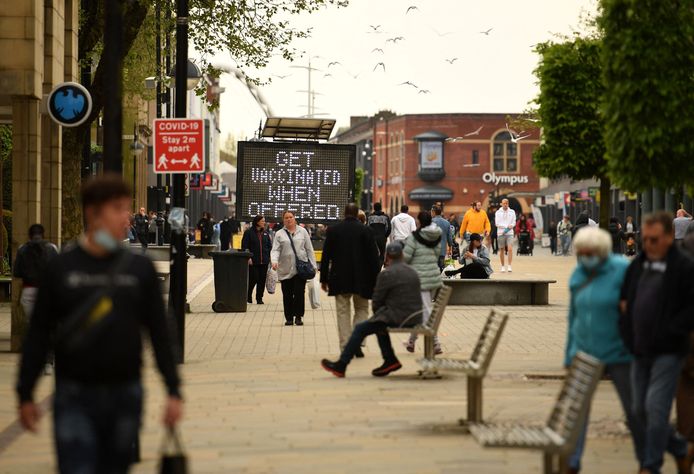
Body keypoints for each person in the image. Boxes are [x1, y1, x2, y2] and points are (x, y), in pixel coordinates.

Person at [16, 175, 182, 474]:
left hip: (125, 392)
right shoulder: (62, 268)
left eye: (127, 208)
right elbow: (39, 333)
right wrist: (25, 392)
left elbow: (160, 331)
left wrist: (173, 389)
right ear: (93, 213)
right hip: (74, 393)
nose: (127, 217)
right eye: (117, 208)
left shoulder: (139, 269)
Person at [619, 211, 694, 474]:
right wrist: (627, 335)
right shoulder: (638, 264)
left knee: (655, 407)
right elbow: (624, 301)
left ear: (669, 237)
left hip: (669, 351)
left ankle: (650, 466)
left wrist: (672, 331)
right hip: (639, 349)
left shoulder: (683, 267)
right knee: (638, 409)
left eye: (654, 240)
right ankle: (680, 449)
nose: (648, 244)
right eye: (645, 239)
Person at [565, 227, 644, 473]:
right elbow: (573, 315)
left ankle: (649, 460)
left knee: (634, 410)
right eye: (581, 252)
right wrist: (569, 353)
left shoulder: (621, 269)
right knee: (577, 413)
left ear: (601, 251)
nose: (584, 257)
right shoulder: (579, 273)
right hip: (584, 351)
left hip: (618, 351)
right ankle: (571, 462)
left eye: (589, 252)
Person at [320, 241, 423, 378]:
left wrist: (379, 314)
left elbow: (376, 302)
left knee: (361, 328)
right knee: (379, 323)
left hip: (399, 317)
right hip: (416, 316)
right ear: (402, 255)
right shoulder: (413, 272)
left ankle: (341, 365)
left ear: (388, 256)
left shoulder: (386, 274)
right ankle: (389, 360)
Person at [320, 204, 380, 354]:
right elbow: (374, 259)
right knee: (362, 309)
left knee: (342, 312)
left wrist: (324, 279)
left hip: (339, 278)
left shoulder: (334, 230)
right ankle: (357, 341)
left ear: (344, 213)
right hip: (363, 279)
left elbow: (326, 256)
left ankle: (346, 345)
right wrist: (376, 280)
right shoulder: (367, 231)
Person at [403, 211, 443, 354]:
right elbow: (437, 254)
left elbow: (406, 257)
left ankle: (436, 342)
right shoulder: (437, 235)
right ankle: (411, 341)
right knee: (421, 310)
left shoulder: (414, 237)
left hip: (420, 279)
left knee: (425, 311)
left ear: (419, 221)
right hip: (433, 276)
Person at [271, 210, 317, 326]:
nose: (289, 219)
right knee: (287, 294)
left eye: (291, 217)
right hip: (285, 269)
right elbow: (275, 249)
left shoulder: (303, 232)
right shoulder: (279, 234)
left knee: (299, 293)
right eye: (286, 217)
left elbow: (309, 249)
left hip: (300, 269)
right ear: (283, 220)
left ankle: (298, 316)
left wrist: (313, 265)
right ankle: (289, 318)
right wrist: (274, 261)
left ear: (294, 218)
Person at [13, 224, 59, 319]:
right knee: (46, 322)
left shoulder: (22, 249)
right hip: (47, 290)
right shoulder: (52, 248)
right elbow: (59, 270)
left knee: (32, 322)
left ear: (29, 235)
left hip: (28, 290)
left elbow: (16, 272)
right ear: (43, 235)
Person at [242, 215, 272, 305]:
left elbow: (269, 246)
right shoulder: (248, 233)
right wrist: (248, 257)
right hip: (253, 261)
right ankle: (248, 296)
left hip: (264, 261)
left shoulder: (266, 233)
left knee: (262, 280)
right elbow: (244, 246)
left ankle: (259, 298)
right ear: (257, 222)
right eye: (262, 221)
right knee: (253, 278)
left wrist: (269, 257)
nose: (264, 222)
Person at [495, 199, 516, 272]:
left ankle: (509, 265)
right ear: (501, 204)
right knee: (501, 249)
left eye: (506, 203)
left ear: (508, 204)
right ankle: (502, 266)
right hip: (501, 233)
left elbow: (514, 222)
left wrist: (511, 226)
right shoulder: (498, 212)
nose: (505, 204)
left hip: (510, 233)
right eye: (504, 203)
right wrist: (506, 227)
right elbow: (497, 223)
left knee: (510, 249)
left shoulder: (512, 212)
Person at [367, 202, 391, 267]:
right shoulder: (385, 217)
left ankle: (373, 267)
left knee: (373, 253)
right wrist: (385, 236)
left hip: (372, 238)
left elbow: (367, 227)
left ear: (374, 208)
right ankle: (379, 267)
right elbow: (388, 228)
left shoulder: (370, 217)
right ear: (381, 208)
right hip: (382, 238)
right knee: (382, 254)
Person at [431, 205, 453, 272]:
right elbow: (450, 238)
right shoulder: (447, 223)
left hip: (432, 251)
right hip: (442, 250)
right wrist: (450, 248)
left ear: (433, 212)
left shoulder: (430, 222)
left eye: (431, 212)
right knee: (441, 268)